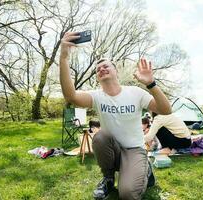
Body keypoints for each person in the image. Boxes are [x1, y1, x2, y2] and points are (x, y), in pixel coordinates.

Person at [59, 32, 171, 200]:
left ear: (116, 71)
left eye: (106, 66)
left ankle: (145, 170)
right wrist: (64, 58)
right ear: (97, 77)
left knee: (127, 195)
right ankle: (109, 178)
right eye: (98, 69)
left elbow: (165, 109)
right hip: (114, 149)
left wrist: (151, 84)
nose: (101, 69)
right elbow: (71, 96)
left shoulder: (135, 93)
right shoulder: (96, 96)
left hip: (134, 150)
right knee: (100, 137)